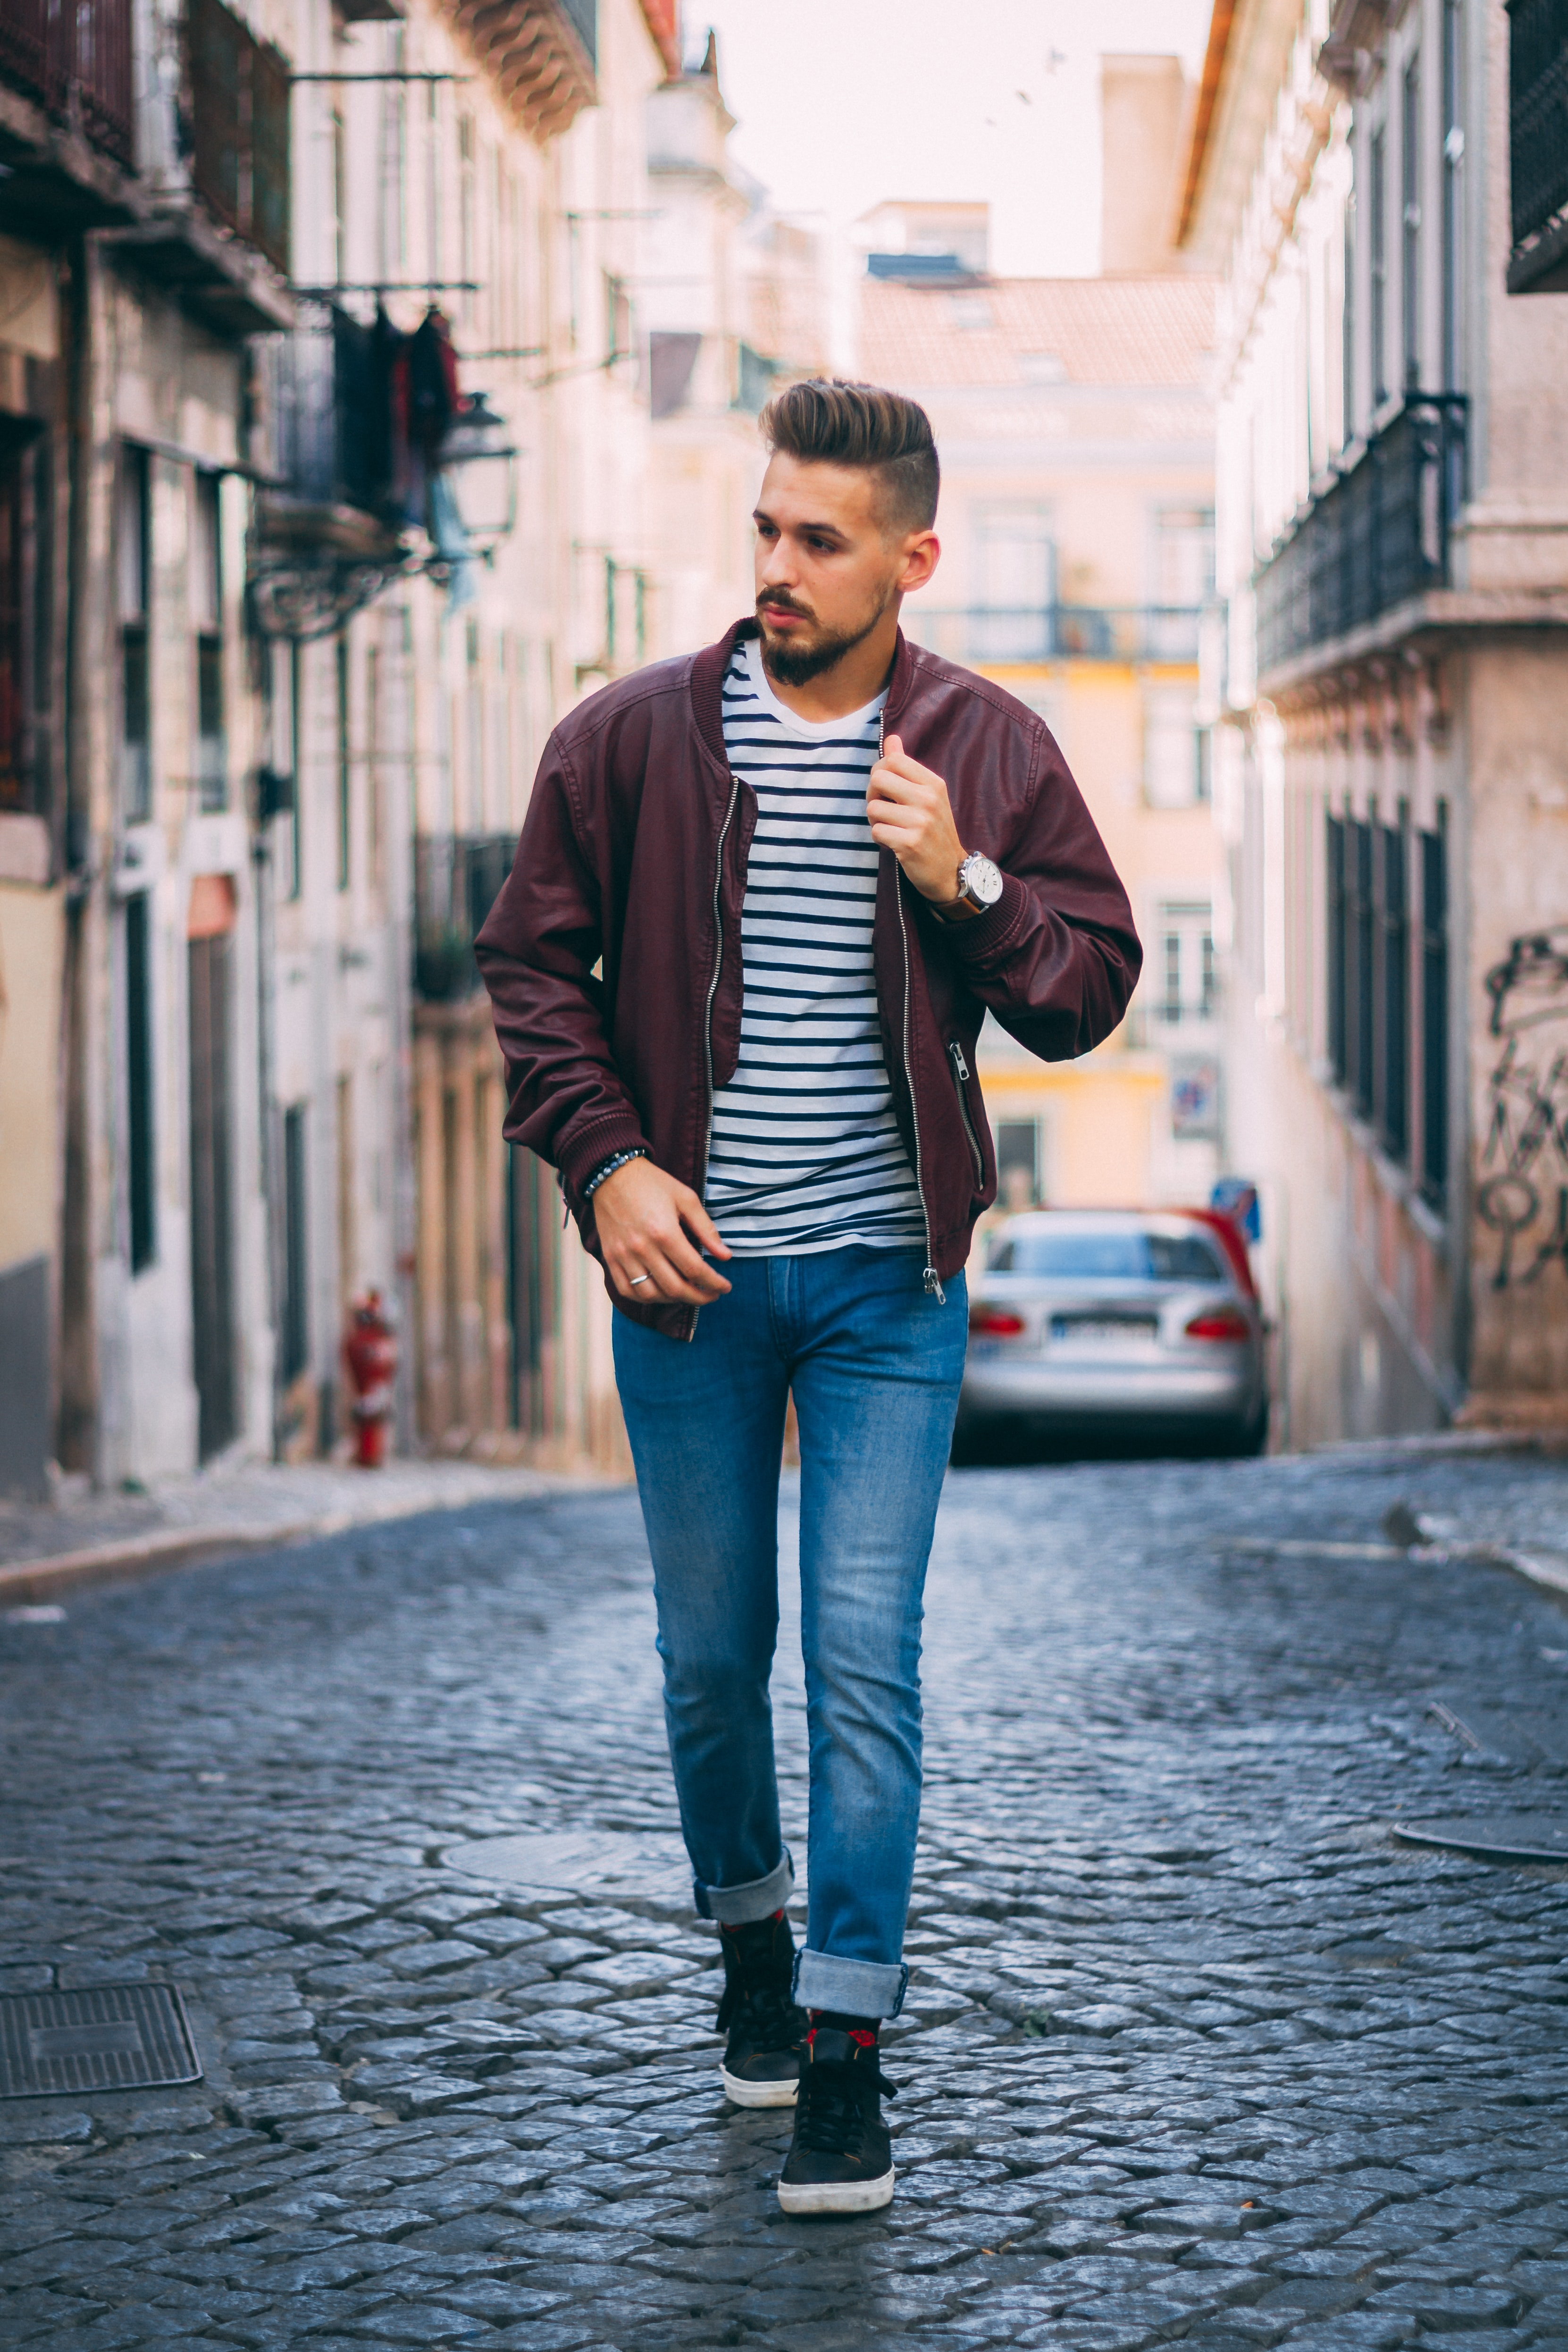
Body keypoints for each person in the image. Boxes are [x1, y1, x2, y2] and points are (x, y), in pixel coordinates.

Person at [477, 380, 1140, 2215]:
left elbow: (1085, 989)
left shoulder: (981, 747)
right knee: (710, 1663)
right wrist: (605, 1166)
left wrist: (966, 880)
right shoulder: (624, 741)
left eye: (817, 540)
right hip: (687, 1289)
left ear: (909, 560)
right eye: (765, 527)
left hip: (883, 1294)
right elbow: (529, 965)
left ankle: (845, 2041)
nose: (773, 566)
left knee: (864, 1662)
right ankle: (749, 1938)